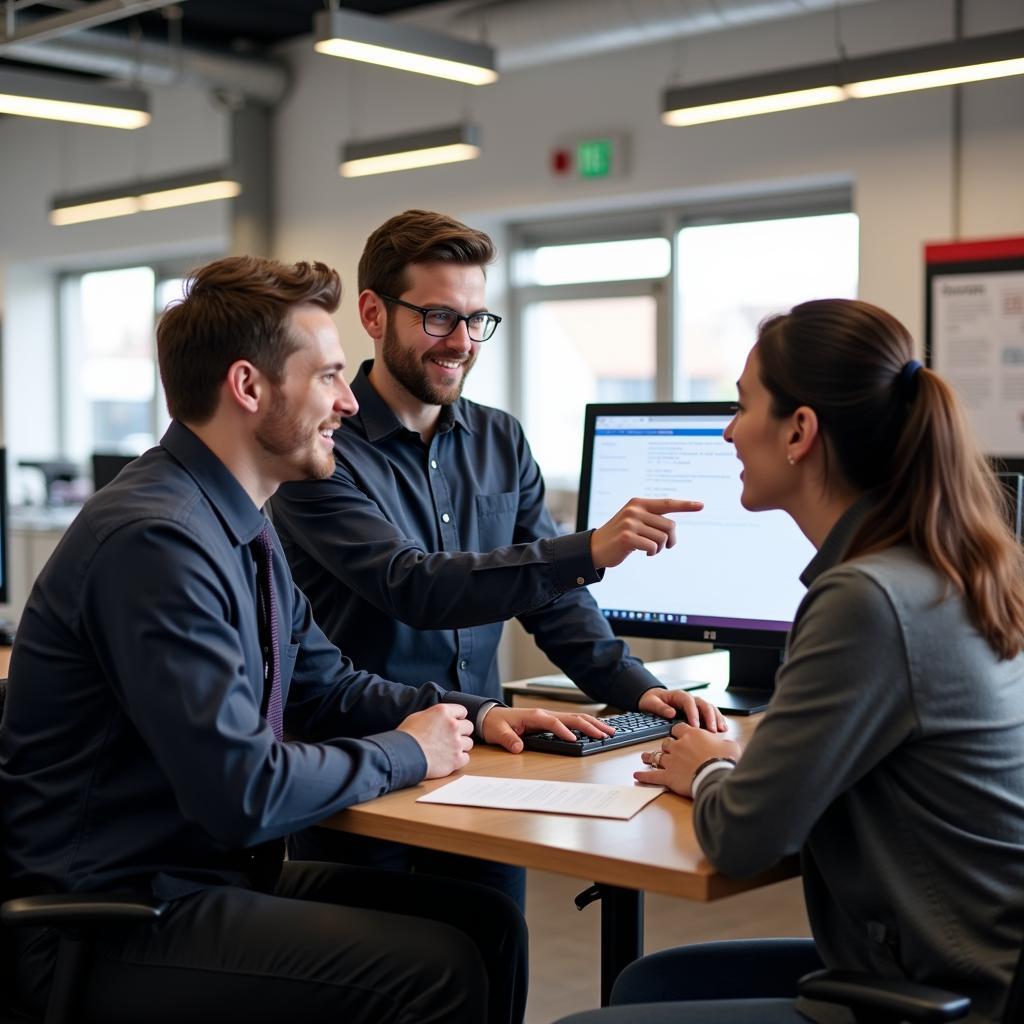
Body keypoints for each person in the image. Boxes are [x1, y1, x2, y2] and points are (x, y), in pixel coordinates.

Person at [0, 255, 614, 1024]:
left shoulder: (239, 524)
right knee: (437, 970)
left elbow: (326, 685)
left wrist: (471, 713)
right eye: (328, 376)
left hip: (204, 880)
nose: (350, 403)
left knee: (481, 922)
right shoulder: (157, 540)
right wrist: (408, 751)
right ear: (250, 387)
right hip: (112, 918)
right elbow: (244, 794)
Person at [557, 298, 1024, 1024]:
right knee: (648, 988)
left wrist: (708, 767)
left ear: (800, 430)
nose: (729, 431)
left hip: (948, 991)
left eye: (744, 406)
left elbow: (745, 839)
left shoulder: (867, 599)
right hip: (956, 957)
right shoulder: (938, 564)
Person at [270, 209, 724, 904]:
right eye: (438, 318)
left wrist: (634, 685)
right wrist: (588, 548)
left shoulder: (500, 439)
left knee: (492, 964)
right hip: (364, 773)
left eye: (476, 320)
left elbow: (551, 597)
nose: (461, 342)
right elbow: (412, 587)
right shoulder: (324, 448)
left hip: (482, 760)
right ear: (373, 313)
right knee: (382, 991)